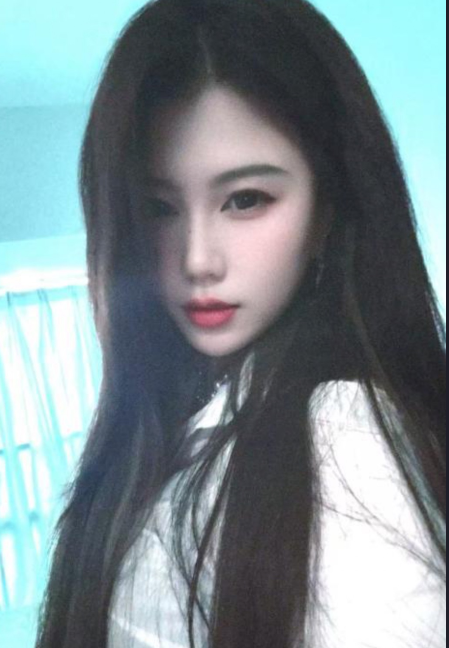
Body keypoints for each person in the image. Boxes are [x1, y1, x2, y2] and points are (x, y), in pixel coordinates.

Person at [35, 0, 446, 647]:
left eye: (245, 199)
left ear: (328, 211)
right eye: (158, 208)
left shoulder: (343, 440)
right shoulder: (176, 422)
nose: (198, 260)